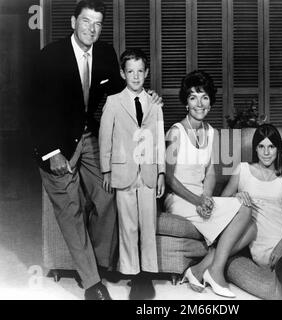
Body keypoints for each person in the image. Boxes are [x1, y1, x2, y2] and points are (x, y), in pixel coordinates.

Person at [30, 1, 162, 300]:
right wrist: (52, 153)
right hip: (56, 145)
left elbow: (120, 91)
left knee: (108, 198)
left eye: (98, 23)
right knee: (71, 210)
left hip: (89, 138)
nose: (93, 29)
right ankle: (92, 283)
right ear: (74, 21)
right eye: (87, 21)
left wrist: (145, 95)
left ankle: (100, 264)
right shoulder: (50, 56)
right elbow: (34, 108)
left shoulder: (104, 53)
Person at [164, 70, 254, 298]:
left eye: (204, 97)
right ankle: (215, 273)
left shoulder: (211, 132)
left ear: (210, 102)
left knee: (251, 226)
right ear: (186, 102)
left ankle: (201, 269)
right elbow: (169, 178)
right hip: (180, 198)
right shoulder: (176, 132)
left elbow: (211, 173)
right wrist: (197, 200)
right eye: (193, 97)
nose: (199, 103)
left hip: (200, 196)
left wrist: (207, 197)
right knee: (244, 212)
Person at [99, 48, 165, 300]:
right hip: (123, 171)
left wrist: (160, 172)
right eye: (130, 72)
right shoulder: (113, 102)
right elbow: (105, 137)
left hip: (147, 172)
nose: (135, 76)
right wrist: (106, 169)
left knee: (147, 225)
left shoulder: (154, 104)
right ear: (122, 73)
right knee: (128, 226)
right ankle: (131, 273)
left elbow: (158, 140)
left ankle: (146, 277)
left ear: (146, 73)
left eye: (140, 71)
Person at [222, 123, 282, 270]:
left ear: (278, 149)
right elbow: (222, 203)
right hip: (264, 246)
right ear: (255, 148)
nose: (266, 152)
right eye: (261, 146)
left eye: (271, 147)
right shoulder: (242, 170)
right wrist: (235, 196)